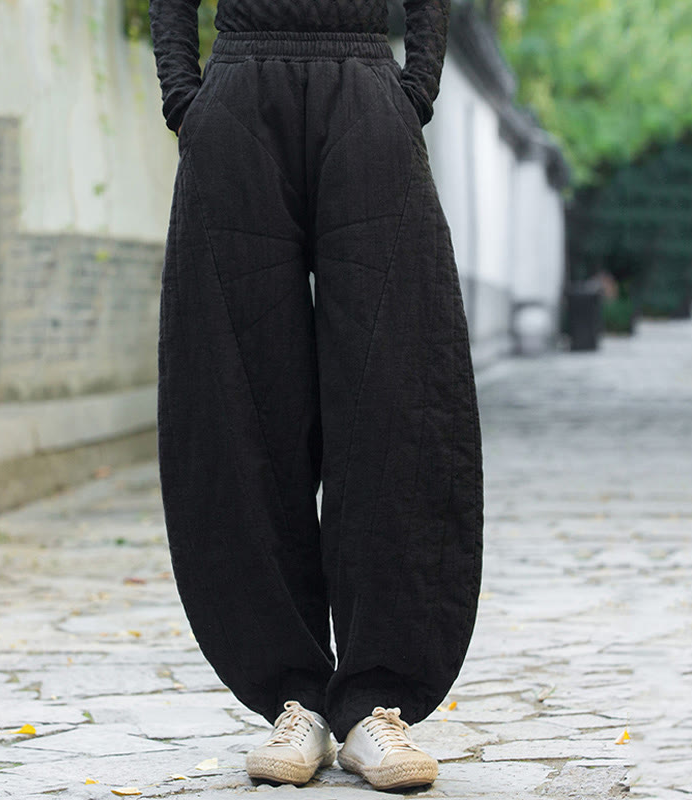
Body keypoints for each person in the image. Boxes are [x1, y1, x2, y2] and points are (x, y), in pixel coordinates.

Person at [148, 0, 484, 791]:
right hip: (238, 95)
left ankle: (375, 705)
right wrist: (184, 100)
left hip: (366, 85)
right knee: (241, 399)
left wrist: (415, 90)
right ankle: (294, 699)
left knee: (396, 391)